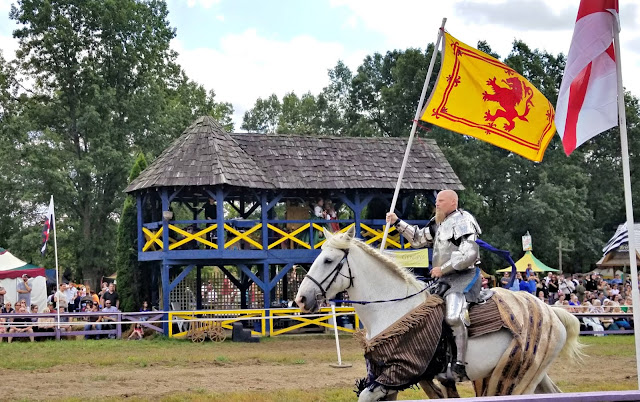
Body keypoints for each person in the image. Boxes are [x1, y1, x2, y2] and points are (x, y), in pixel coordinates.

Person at [388, 189, 481, 382]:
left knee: (454, 316)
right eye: (437, 200)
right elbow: (418, 239)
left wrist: (443, 268)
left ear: (453, 203)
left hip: (464, 276)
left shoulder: (464, 220)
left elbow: (469, 254)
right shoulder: (438, 222)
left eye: (441, 201)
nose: (437, 204)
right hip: (443, 279)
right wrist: (397, 222)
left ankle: (460, 366)